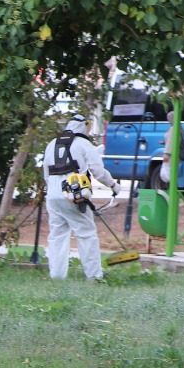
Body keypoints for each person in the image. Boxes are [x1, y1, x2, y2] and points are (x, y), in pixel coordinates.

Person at [43, 114, 116, 281]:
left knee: (57, 235)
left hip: (53, 196)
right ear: (84, 127)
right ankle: (94, 276)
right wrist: (113, 185)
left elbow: (46, 175)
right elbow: (98, 172)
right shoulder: (84, 144)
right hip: (73, 194)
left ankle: (57, 276)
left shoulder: (51, 145)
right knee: (86, 234)